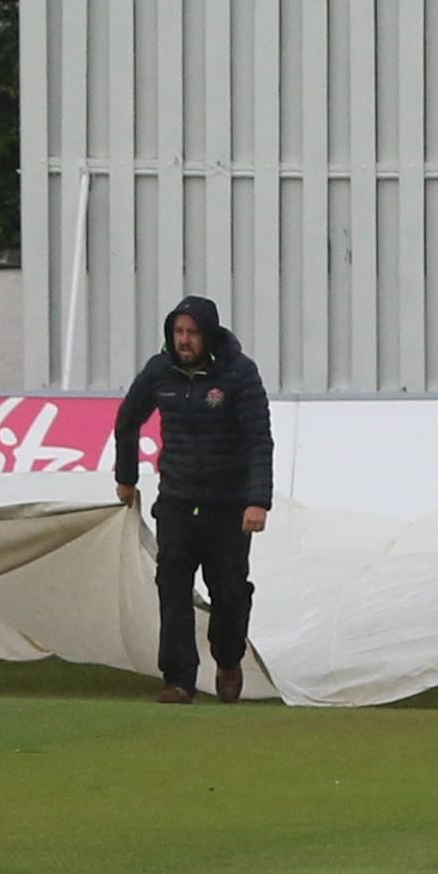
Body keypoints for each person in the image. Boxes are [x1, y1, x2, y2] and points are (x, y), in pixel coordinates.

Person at [108, 295, 270, 705]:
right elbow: (127, 420)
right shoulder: (160, 371)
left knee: (229, 592)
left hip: (228, 505)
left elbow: (258, 441)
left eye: (192, 333)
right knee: (172, 587)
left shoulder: (239, 374)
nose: (184, 340)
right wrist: (125, 477)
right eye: (178, 332)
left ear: (209, 334)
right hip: (177, 499)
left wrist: (258, 501)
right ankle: (178, 679)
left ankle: (229, 659)